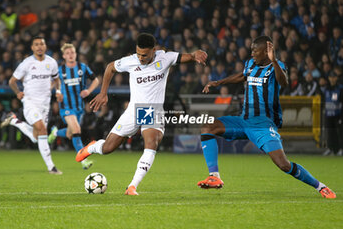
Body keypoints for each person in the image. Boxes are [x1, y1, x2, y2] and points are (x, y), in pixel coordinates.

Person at [197, 36, 336, 199]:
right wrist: (219, 82)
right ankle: (214, 176)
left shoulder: (277, 67)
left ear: (266, 52)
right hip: (244, 120)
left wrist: (274, 60)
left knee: (283, 164)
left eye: (255, 50)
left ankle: (321, 187)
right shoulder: (250, 64)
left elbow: (283, 82)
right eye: (251, 50)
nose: (252, 53)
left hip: (263, 125)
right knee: (207, 126)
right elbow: (243, 76)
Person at [75, 33, 207, 195]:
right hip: (134, 110)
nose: (140, 58)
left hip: (154, 111)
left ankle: (132, 186)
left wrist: (196, 54)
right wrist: (103, 93)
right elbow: (110, 67)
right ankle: (93, 147)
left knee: (151, 145)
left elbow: (188, 56)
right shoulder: (130, 61)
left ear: (154, 50)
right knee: (108, 148)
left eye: (144, 55)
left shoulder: (165, 58)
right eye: (138, 53)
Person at [0, 36, 63, 174]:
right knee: (42, 129)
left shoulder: (51, 62)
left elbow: (57, 79)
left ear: (45, 47)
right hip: (30, 102)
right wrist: (18, 92)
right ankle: (51, 167)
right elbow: (12, 81)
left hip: (45, 104)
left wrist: (57, 91)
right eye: (36, 44)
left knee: (37, 138)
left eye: (42, 44)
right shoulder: (26, 63)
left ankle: (14, 120)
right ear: (32, 48)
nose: (39, 47)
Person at [47, 43, 99, 169]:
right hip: (66, 106)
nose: (70, 55)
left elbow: (96, 80)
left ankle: (55, 133)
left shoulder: (83, 67)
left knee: (71, 134)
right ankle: (83, 160)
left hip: (79, 107)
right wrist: (57, 93)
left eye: (73, 52)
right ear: (64, 56)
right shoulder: (60, 70)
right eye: (68, 53)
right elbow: (53, 84)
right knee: (76, 130)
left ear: (76, 54)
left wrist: (88, 91)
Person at [322, 72, 343, 156]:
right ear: (329, 78)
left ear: (336, 78)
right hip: (328, 114)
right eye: (331, 77)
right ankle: (331, 148)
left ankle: (340, 149)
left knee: (339, 133)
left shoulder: (340, 89)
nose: (332, 79)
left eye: (334, 77)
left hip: (337, 114)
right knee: (330, 133)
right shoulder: (326, 88)